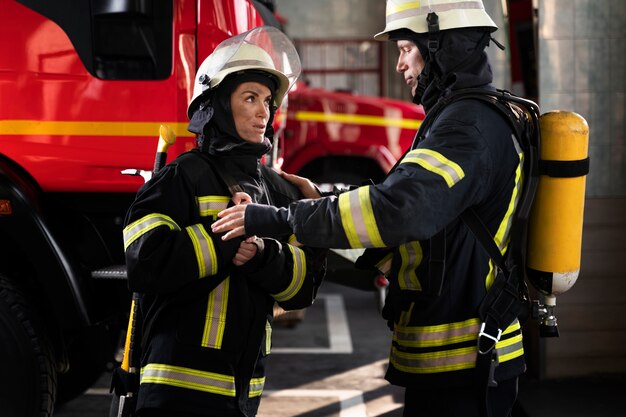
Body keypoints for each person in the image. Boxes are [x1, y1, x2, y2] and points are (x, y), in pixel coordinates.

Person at [211, 1, 530, 416]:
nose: (399, 65)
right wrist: (320, 201)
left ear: (438, 44)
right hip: (456, 362)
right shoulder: (459, 118)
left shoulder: (466, 127)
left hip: (464, 363)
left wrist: (276, 219)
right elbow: (395, 198)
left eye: (404, 49)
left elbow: (396, 211)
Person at [122, 26, 326, 417]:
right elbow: (143, 264)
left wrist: (262, 254)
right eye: (250, 97)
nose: (263, 111)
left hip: (244, 394)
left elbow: (303, 288)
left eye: (268, 100)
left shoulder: (276, 190)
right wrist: (226, 239)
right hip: (175, 391)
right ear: (214, 105)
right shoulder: (180, 178)